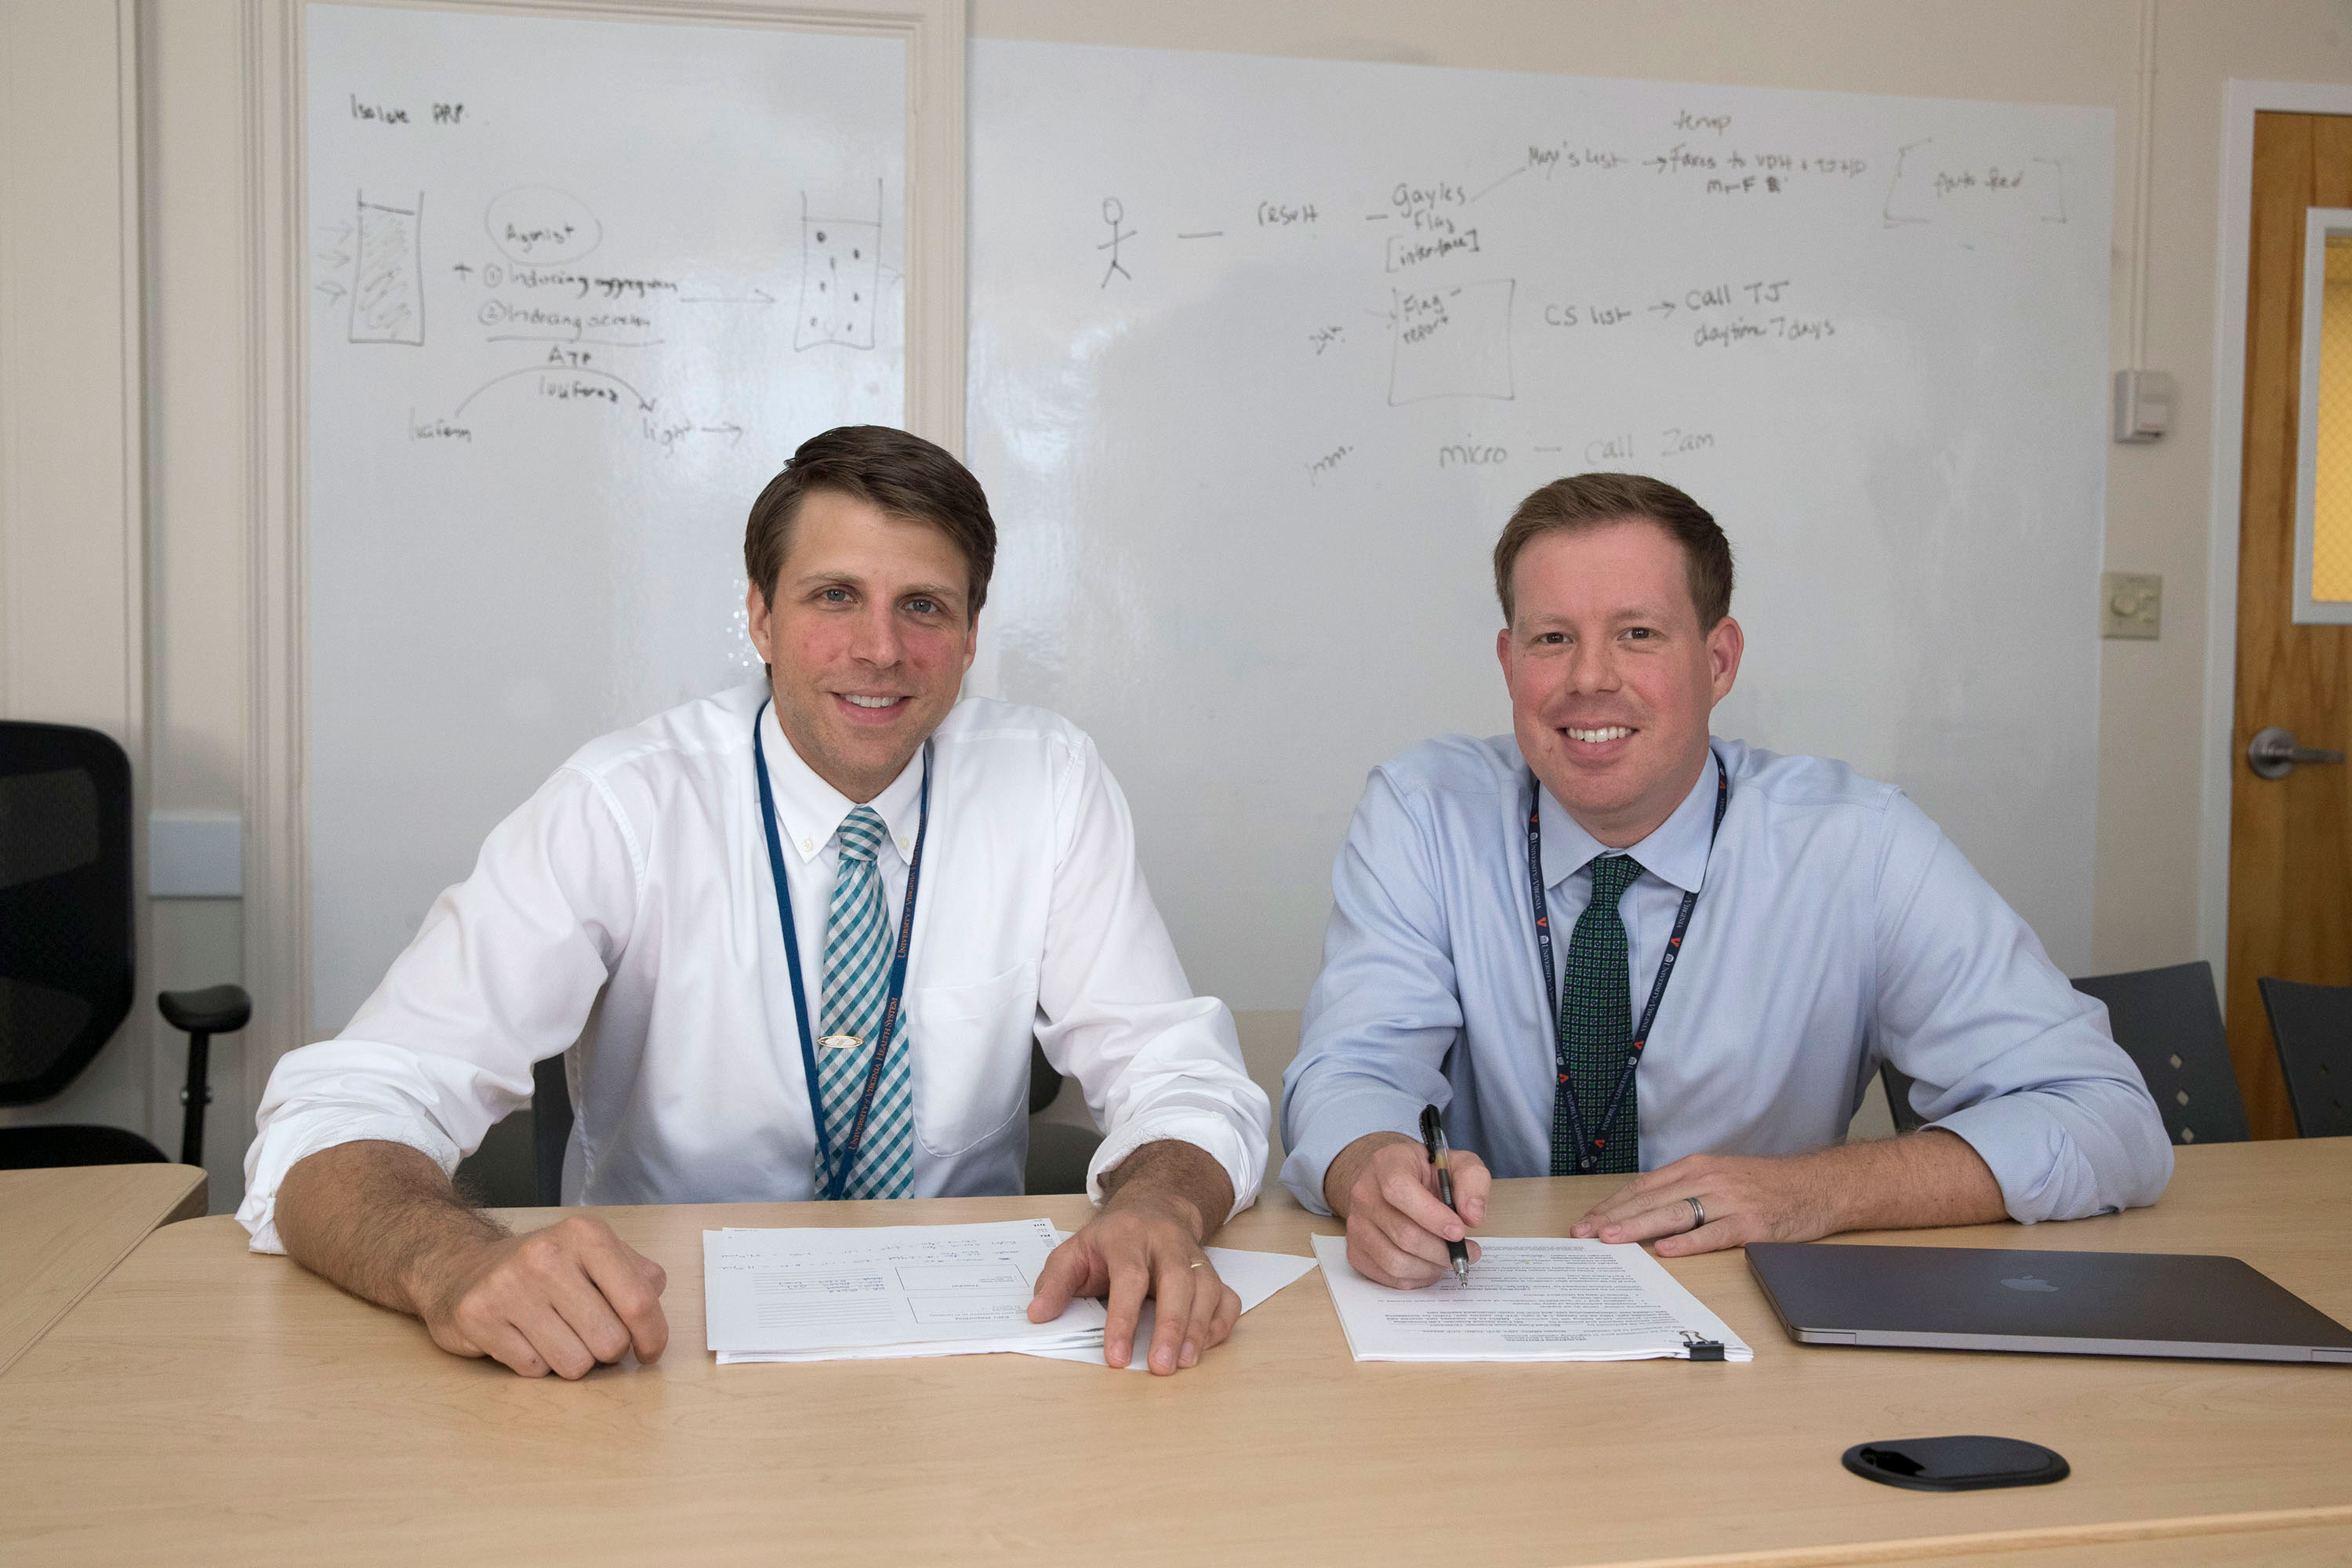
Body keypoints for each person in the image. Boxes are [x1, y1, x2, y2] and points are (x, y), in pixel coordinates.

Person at [241, 425, 1270, 1375]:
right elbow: (342, 1109)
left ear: (967, 637)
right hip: (650, 1337)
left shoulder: (1048, 781)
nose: (880, 649)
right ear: (760, 617)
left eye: (924, 606)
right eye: (834, 597)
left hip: (983, 1341)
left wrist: (1160, 1202)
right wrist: (449, 1262)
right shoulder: (626, 801)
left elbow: (1179, 1076)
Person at [1282, 472, 2170, 1289]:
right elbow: (1351, 1069)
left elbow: (2107, 1118)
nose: (1589, 679)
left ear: (1717, 661)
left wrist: (1812, 1193)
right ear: (1511, 664)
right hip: (1488, 1308)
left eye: (1637, 634)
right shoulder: (1422, 814)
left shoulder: (1857, 845)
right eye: (1554, 639)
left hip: (1757, 1319)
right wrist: (1372, 1165)